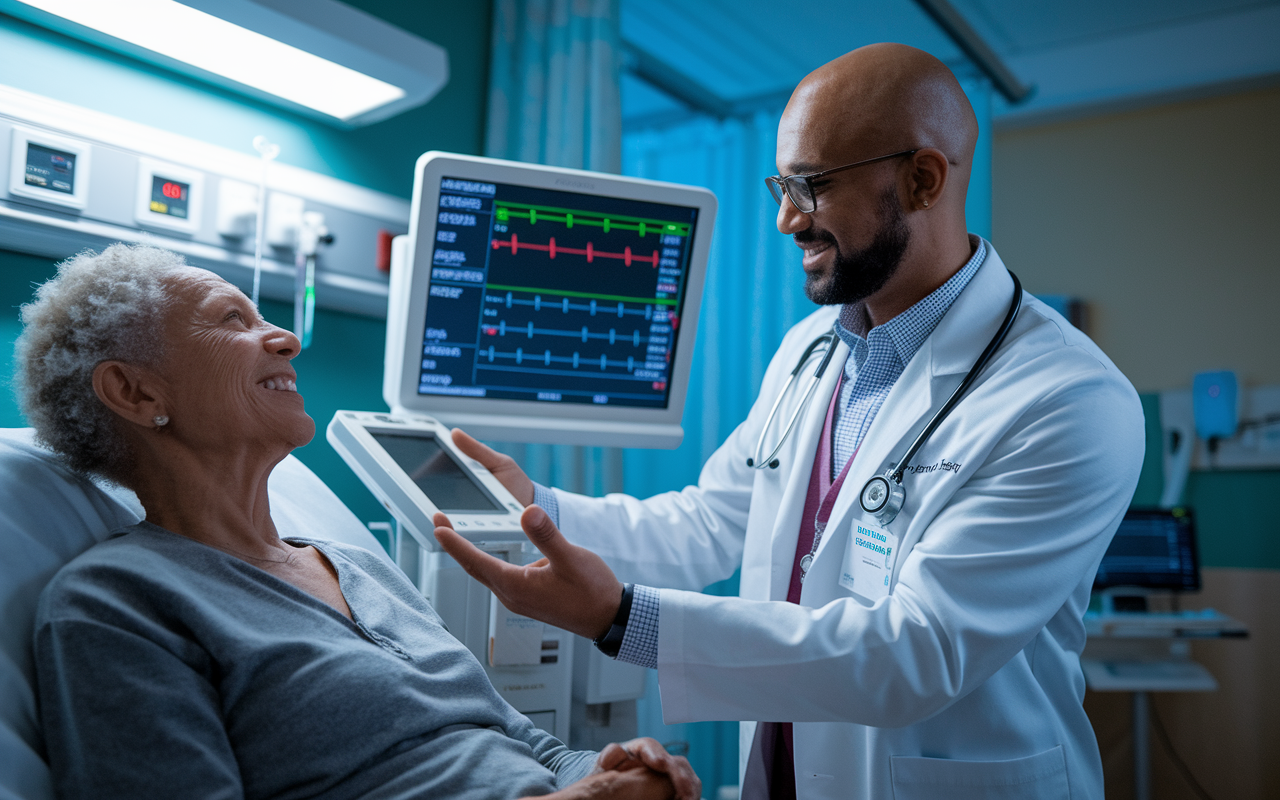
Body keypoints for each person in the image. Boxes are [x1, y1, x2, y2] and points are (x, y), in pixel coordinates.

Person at [432, 43, 1146, 799]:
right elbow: (711, 522)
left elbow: (919, 653)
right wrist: (536, 507)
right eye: (782, 184)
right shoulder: (812, 349)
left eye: (811, 187)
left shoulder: (1066, 399)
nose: (784, 220)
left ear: (923, 179)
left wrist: (622, 618)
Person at [18, 243, 699, 800]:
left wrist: (611, 768)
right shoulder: (117, 603)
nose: (283, 339)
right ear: (135, 392)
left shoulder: (360, 566)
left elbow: (525, 744)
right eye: (231, 319)